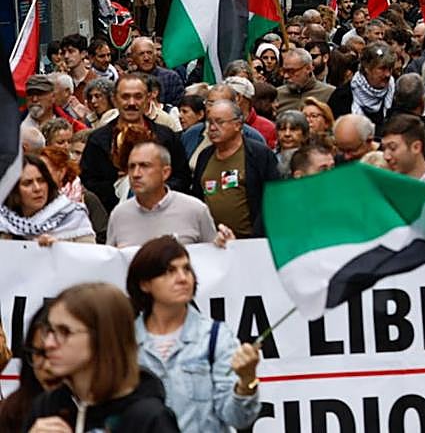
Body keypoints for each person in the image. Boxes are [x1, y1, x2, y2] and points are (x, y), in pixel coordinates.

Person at [126, 236, 261, 431]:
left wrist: (247, 381)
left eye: (187, 269)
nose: (182, 278)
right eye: (169, 271)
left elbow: (239, 418)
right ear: (145, 284)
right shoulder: (125, 342)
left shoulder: (215, 337)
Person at [23, 282, 180, 431]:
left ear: (103, 337)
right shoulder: (47, 406)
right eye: (49, 331)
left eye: (64, 332)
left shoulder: (148, 418)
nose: (48, 344)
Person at [81, 73, 191, 212]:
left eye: (138, 97)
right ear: (115, 100)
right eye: (125, 97)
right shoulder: (98, 140)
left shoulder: (166, 136)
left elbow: (182, 177)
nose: (132, 103)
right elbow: (89, 181)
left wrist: (157, 188)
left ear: (148, 99)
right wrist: (119, 187)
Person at [107, 142, 226, 248]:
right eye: (132, 167)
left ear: (165, 172)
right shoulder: (119, 215)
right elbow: (112, 265)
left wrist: (227, 246)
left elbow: (212, 259)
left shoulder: (195, 210)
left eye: (145, 166)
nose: (136, 174)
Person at [191, 99, 279, 237]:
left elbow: (273, 200)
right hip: (213, 242)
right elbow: (197, 197)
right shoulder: (205, 156)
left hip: (251, 242)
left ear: (237, 125)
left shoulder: (259, 155)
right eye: (209, 122)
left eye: (219, 122)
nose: (212, 128)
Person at [0, 155, 96, 244]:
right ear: (13, 190)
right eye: (27, 183)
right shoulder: (4, 221)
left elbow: (90, 257)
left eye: (41, 181)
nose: (37, 188)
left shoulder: (73, 216)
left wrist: (58, 249)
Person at [0, 305, 58, 430]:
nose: (47, 366)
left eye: (56, 354)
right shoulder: (10, 412)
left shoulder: (104, 414)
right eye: (39, 353)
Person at [328, 41, 397, 127]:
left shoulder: (396, 95)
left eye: (390, 69)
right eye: (382, 68)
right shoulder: (342, 96)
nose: (388, 74)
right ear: (367, 68)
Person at [379, 113, 425, 182]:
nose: (386, 156)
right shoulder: (382, 185)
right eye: (383, 149)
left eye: (392, 148)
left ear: (416, 147)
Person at [274, 47, 336, 113]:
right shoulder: (277, 95)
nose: (286, 76)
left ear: (308, 68)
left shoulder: (330, 93)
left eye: (291, 71)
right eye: (284, 71)